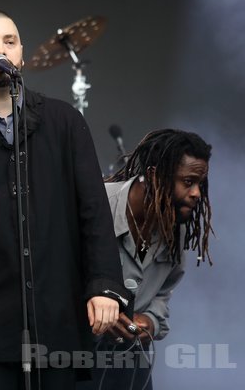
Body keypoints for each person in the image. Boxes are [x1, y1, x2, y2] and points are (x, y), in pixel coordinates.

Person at [0, 9, 131, 389]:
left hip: (59, 321)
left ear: (21, 53)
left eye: (9, 41)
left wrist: (103, 284)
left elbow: (94, 212)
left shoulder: (65, 121)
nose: (0, 50)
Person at [82, 129, 213, 390]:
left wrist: (150, 321)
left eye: (200, 183)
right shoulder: (96, 204)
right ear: (155, 176)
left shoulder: (177, 226)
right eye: (188, 182)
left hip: (129, 367)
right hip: (72, 359)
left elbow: (164, 292)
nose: (197, 193)